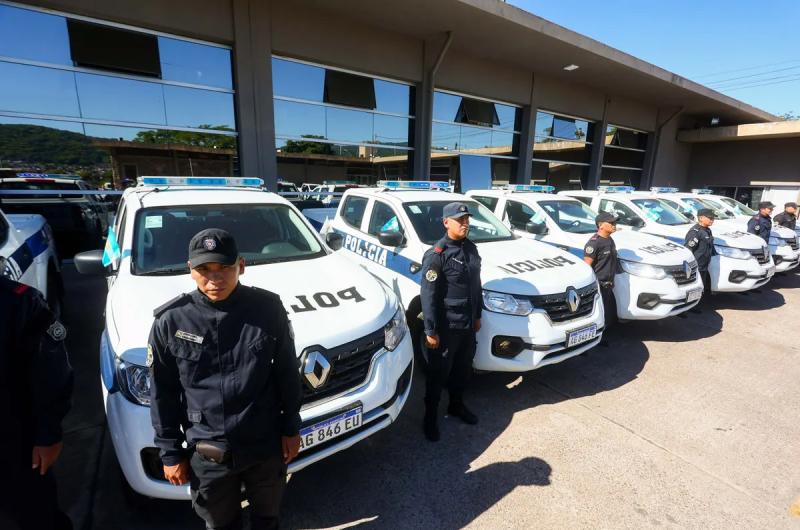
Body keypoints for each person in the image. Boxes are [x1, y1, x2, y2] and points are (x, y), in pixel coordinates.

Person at [148, 228, 302, 530]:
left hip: (264, 446)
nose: (215, 278)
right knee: (220, 525)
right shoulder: (171, 321)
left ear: (241, 266)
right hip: (208, 454)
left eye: (224, 268)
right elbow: (162, 392)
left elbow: (286, 372)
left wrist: (291, 428)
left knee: (267, 519)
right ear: (190, 270)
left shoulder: (267, 309)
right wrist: (170, 452)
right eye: (204, 269)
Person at [0, 273, 73, 530]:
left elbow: (51, 375)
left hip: (15, 445)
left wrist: (48, 435)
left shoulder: (21, 303)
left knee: (35, 516)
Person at [419, 202, 482, 442]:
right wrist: (430, 330)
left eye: (467, 220)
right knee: (438, 376)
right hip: (446, 328)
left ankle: (456, 406)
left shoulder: (471, 249)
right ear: (447, 223)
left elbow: (477, 286)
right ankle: (430, 418)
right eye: (460, 220)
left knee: (462, 371)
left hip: (467, 326)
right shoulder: (437, 255)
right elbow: (428, 295)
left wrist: (478, 316)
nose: (465, 224)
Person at [583, 211, 620, 335]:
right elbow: (586, 266)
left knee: (606, 313)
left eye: (614, 222)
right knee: (597, 313)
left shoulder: (610, 240)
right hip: (599, 284)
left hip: (609, 284)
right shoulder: (594, 243)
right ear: (601, 225)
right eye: (611, 223)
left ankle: (602, 336)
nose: (614, 225)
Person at [684, 208, 717, 312]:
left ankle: (697, 304)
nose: (712, 220)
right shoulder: (695, 232)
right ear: (701, 218)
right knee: (694, 287)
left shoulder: (707, 230)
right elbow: (688, 250)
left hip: (704, 264)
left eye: (713, 218)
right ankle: (690, 308)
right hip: (697, 265)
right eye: (710, 218)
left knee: (702, 286)